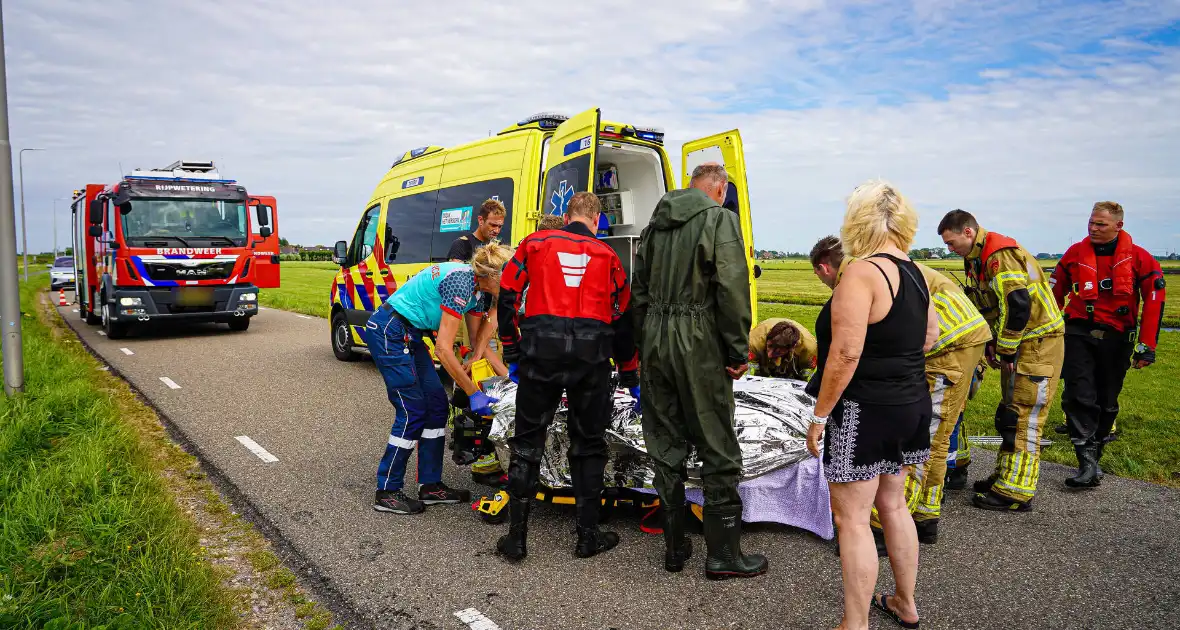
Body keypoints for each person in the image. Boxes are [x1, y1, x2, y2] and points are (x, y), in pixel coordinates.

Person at [806, 181, 936, 630]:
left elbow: (845, 355)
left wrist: (820, 415)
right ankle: (905, 601)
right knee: (895, 505)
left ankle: (855, 623)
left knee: (854, 519)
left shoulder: (860, 273)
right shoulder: (916, 271)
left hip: (866, 410)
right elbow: (928, 336)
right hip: (912, 402)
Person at [811, 236, 991, 549]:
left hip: (948, 343)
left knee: (928, 437)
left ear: (825, 268)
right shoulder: (895, 264)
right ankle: (923, 515)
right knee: (937, 430)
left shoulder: (860, 274)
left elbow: (853, 349)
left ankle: (884, 528)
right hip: (962, 335)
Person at [632, 163, 766, 579]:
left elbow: (639, 290)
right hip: (698, 341)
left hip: (655, 337)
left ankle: (675, 548)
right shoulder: (719, 219)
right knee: (716, 441)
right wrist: (737, 349)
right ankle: (723, 556)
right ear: (720, 189)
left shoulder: (655, 225)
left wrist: (646, 342)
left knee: (664, 437)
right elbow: (731, 288)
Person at [494, 191, 639, 561]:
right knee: (588, 446)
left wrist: (512, 348)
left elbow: (508, 294)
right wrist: (629, 373)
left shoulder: (535, 243)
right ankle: (587, 537)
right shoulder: (609, 256)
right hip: (591, 361)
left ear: (566, 214)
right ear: (596, 220)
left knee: (527, 444)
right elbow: (623, 318)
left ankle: (517, 540)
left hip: (539, 355)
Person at [368, 244, 514, 515]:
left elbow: (476, 340)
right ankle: (386, 490)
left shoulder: (480, 292)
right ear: (492, 275)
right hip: (390, 329)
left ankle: (430, 485)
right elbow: (443, 350)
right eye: (509, 276)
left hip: (411, 333)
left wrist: (500, 373)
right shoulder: (461, 281)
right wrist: (473, 393)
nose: (514, 282)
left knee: (437, 406)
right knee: (412, 411)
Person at [939, 209, 1065, 511]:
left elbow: (1017, 305)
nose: (949, 249)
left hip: (1037, 342)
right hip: (1021, 341)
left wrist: (1005, 347)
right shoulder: (977, 257)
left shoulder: (1000, 255)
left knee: (1025, 415)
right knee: (1009, 413)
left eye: (951, 242)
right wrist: (995, 343)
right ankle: (1005, 477)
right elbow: (991, 305)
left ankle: (1016, 493)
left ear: (968, 232)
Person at [1050, 201, 1165, 488]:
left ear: (1118, 226)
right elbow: (1054, 294)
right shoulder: (1075, 253)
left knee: (1107, 401)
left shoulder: (1141, 258)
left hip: (1117, 339)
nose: (1093, 228)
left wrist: (1147, 345)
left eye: (1100, 224)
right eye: (1091, 222)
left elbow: (1154, 302)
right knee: (1078, 395)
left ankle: (1095, 458)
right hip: (1077, 333)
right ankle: (1086, 463)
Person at [447, 199, 509, 486]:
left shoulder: (498, 254)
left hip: (484, 322)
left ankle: (486, 455)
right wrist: (476, 352)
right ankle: (477, 456)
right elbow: (460, 293)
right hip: (463, 322)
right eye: (492, 224)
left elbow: (495, 306)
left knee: (492, 381)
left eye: (500, 225)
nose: (497, 230)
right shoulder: (462, 247)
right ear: (480, 221)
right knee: (472, 384)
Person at [747, 318, 817, 380]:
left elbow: (805, 379)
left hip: (794, 357)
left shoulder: (809, 350)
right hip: (760, 347)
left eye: (778, 351)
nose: (769, 355)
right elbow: (749, 374)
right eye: (770, 346)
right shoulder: (754, 341)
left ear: (791, 347)